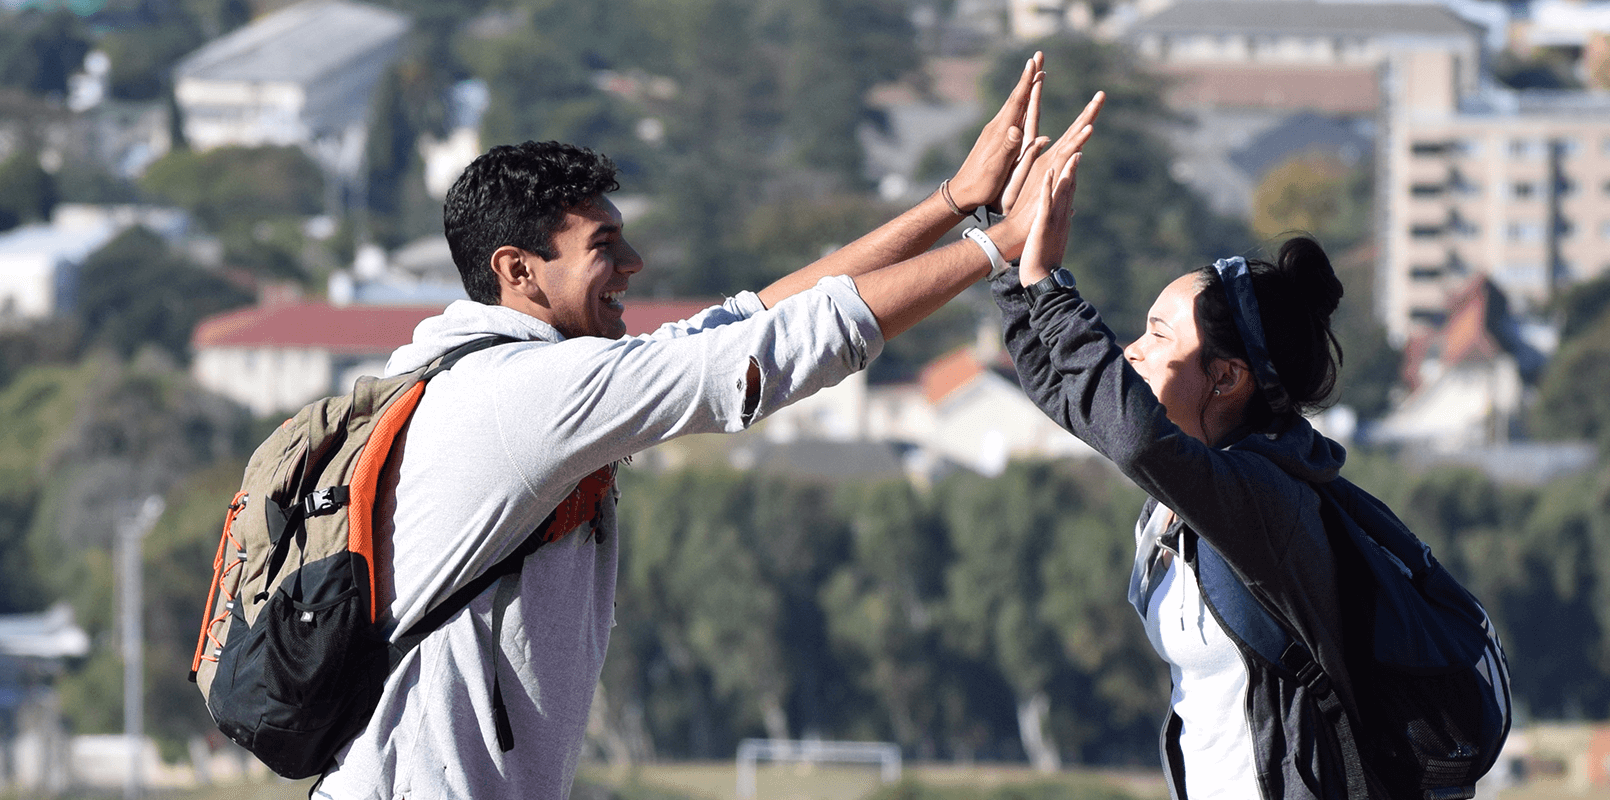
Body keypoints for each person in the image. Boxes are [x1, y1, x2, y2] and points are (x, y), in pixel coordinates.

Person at [310, 60, 1106, 799]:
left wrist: (955, 202)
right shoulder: (527, 394)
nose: (634, 263)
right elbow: (768, 354)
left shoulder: (492, 373)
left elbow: (744, 323)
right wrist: (1000, 245)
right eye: (603, 246)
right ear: (518, 271)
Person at [993, 159, 1376, 799]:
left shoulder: (1261, 495)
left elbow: (1133, 436)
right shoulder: (1192, 484)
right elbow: (1069, 394)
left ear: (1226, 378)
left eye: (1158, 334)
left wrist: (1051, 290)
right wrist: (1011, 255)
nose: (1131, 351)